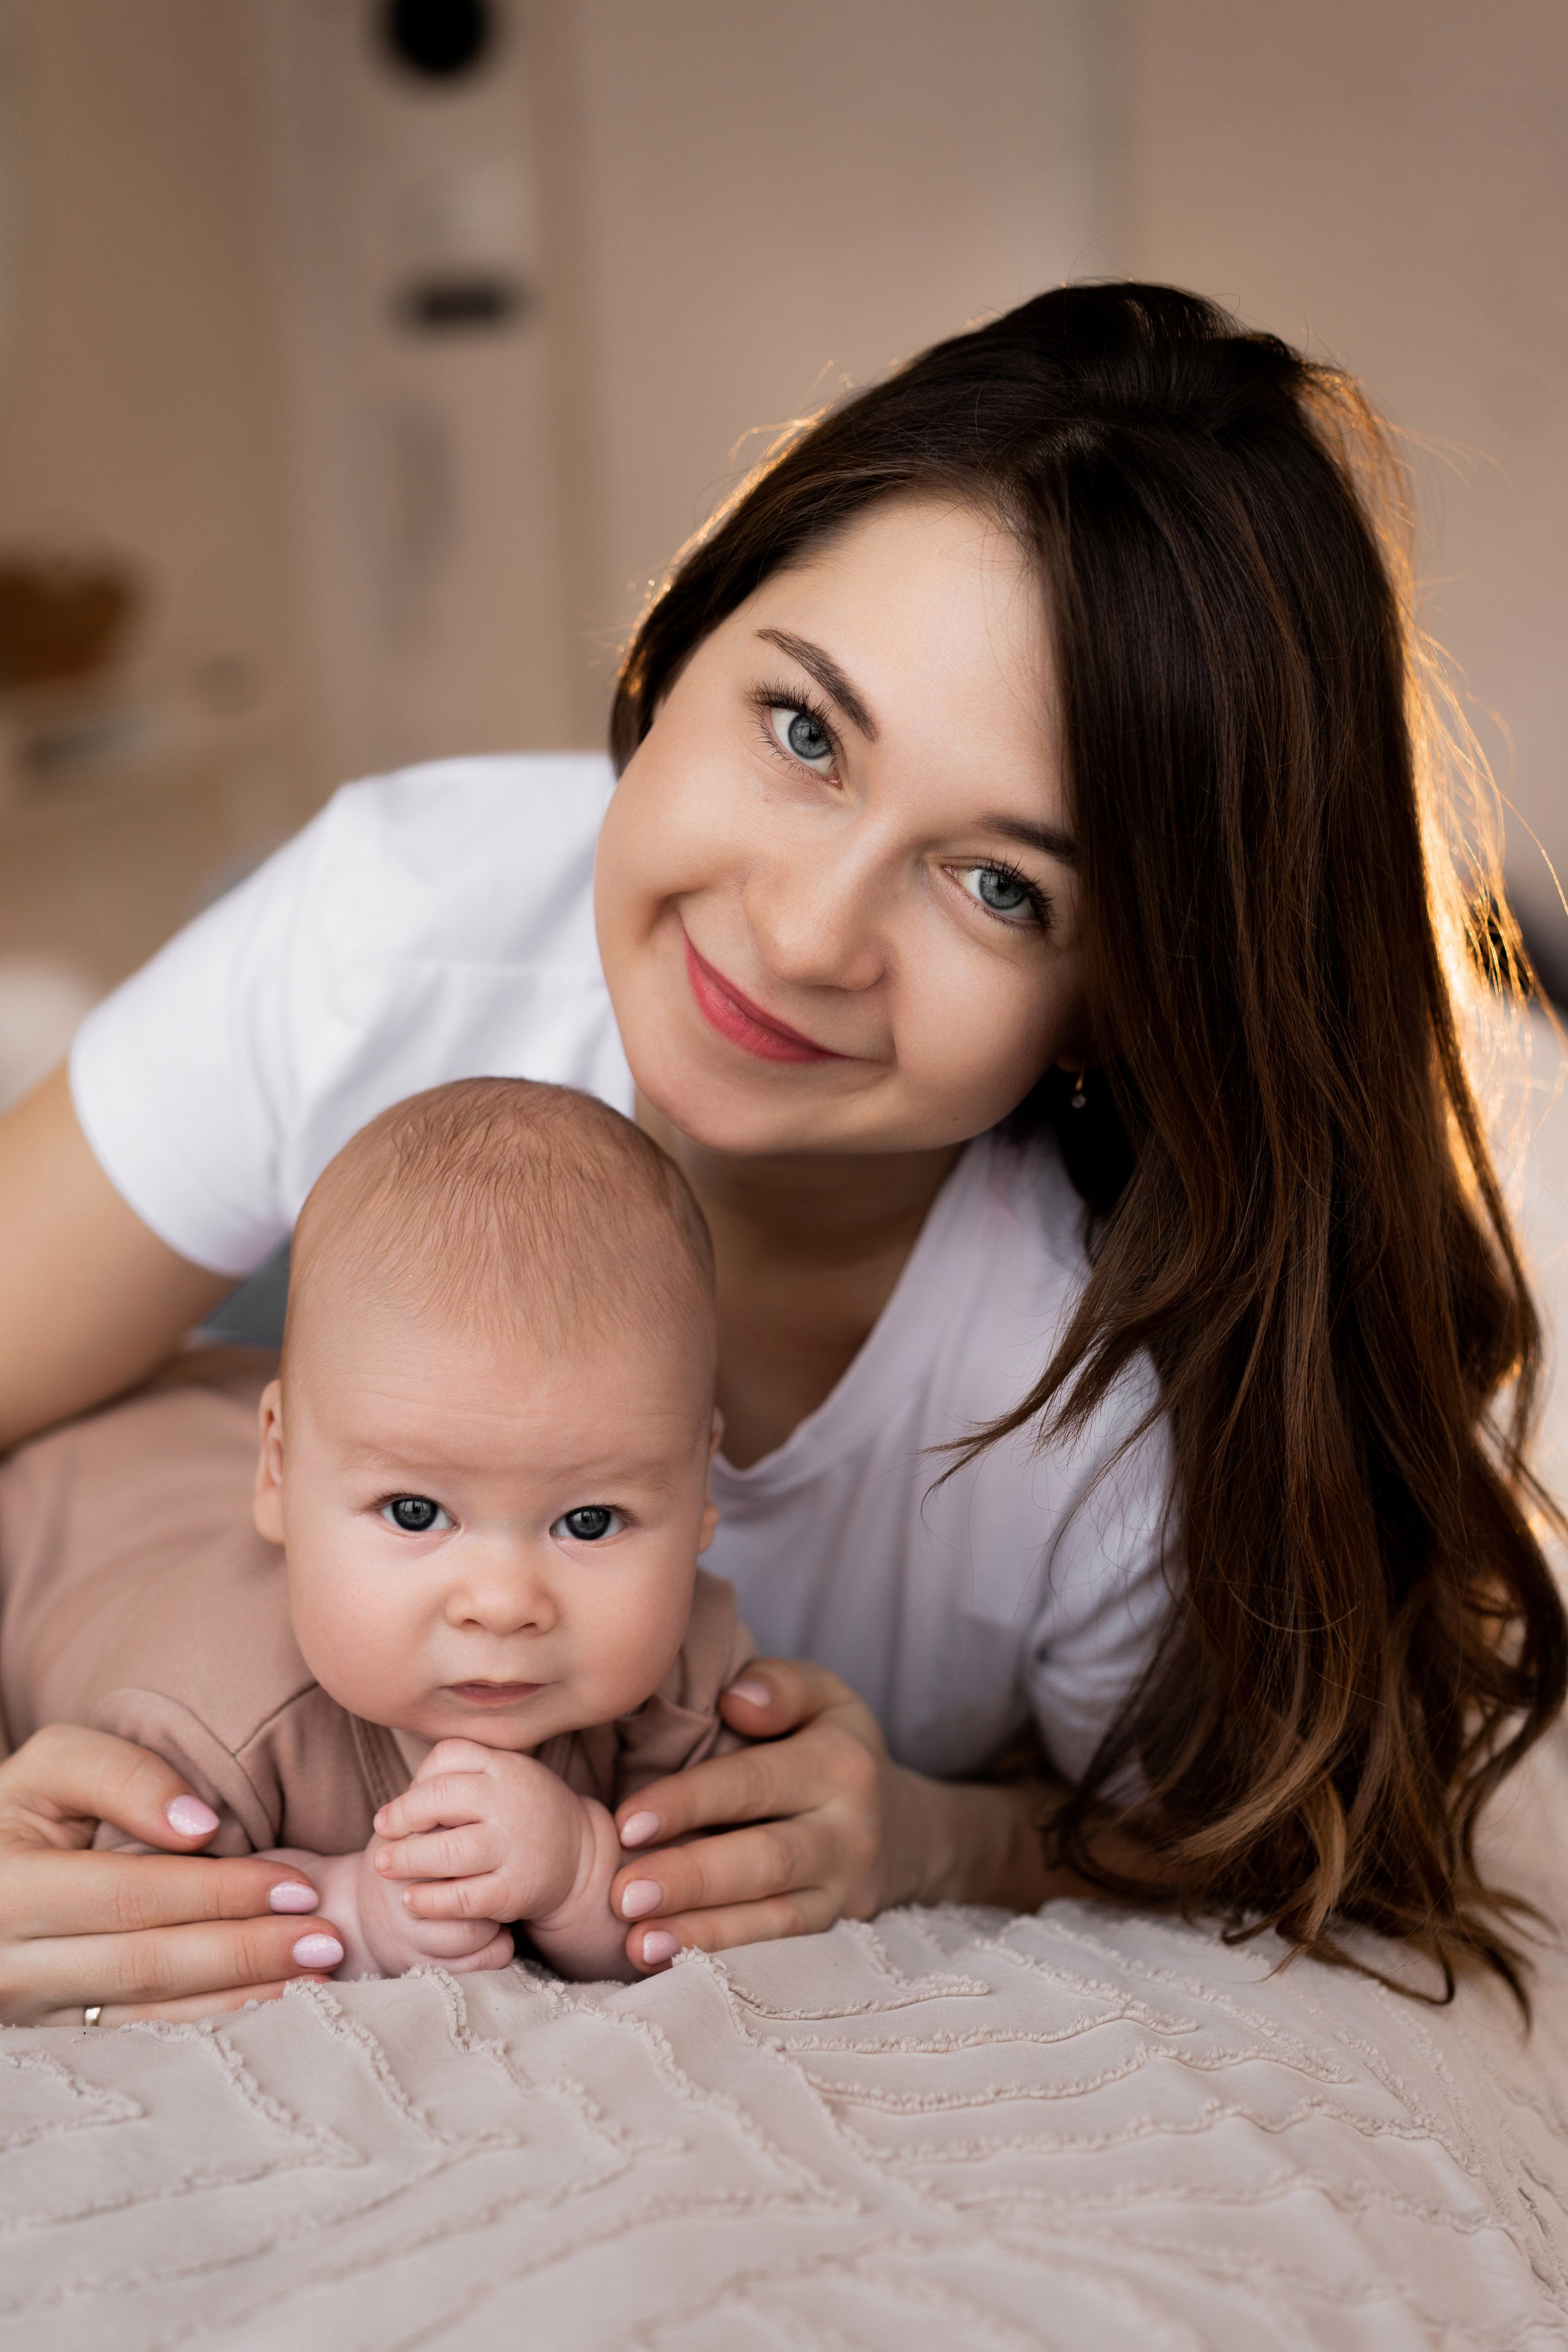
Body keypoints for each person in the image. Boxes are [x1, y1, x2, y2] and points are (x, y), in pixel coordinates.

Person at [0, 283, 1560, 2029]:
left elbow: (1254, 1828)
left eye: (1001, 887)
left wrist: (942, 1838)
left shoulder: (1113, 1425)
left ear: (1120, 1000)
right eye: (804, 731)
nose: (806, 935)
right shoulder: (395, 931)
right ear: (681, 645)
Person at [2, 1079, 759, 1992]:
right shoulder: (205, 1724)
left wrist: (584, 1874)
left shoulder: (691, 1677)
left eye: (588, 1521)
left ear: (701, 1487)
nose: (502, 1604)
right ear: (276, 1475)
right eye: (414, 1513)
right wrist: (355, 1908)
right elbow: (122, 1919)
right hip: (64, 1503)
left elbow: (718, 1906)